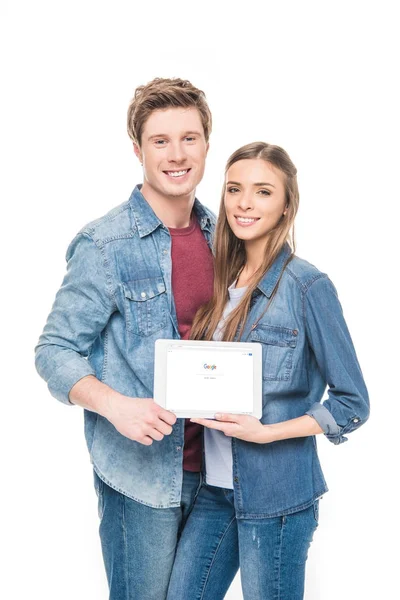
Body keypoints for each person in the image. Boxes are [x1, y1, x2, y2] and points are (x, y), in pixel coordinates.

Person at [34, 77, 215, 599]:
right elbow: (53, 350)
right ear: (137, 150)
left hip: (223, 472)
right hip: (142, 480)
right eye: (160, 140)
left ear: (207, 143)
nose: (177, 154)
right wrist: (116, 405)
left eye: (190, 137)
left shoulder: (225, 235)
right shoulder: (104, 243)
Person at [166, 142, 370, 600]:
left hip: (276, 497)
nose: (244, 203)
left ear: (285, 207)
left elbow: (353, 403)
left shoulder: (308, 286)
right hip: (214, 491)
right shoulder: (223, 284)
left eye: (262, 192)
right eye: (235, 189)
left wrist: (266, 432)